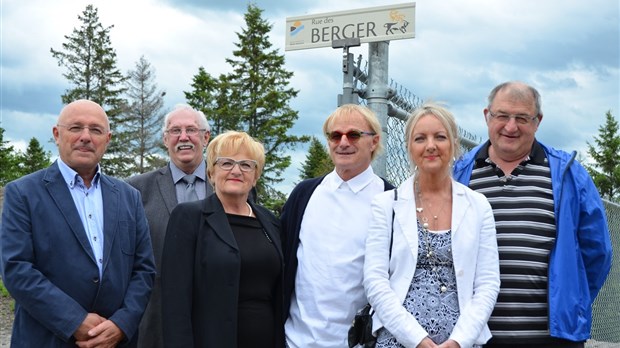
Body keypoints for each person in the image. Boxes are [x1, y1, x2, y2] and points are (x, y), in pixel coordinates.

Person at [453, 81, 613, 348]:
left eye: (522, 118)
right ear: (486, 116)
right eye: (502, 116)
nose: (511, 126)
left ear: (538, 121)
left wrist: (572, 299)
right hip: (473, 337)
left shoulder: (569, 175)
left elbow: (597, 252)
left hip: (552, 339)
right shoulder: (459, 175)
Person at [0, 99, 156, 347]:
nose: (85, 137)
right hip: (47, 339)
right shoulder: (23, 194)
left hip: (115, 341)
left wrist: (122, 324)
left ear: (107, 138)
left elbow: (144, 269)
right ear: (56, 134)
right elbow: (16, 269)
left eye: (95, 130)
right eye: (75, 128)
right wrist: (74, 321)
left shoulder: (129, 197)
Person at [364, 102, 500, 348]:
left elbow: (488, 283)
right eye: (420, 138)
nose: (430, 146)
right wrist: (417, 340)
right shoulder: (386, 205)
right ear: (408, 146)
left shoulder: (478, 206)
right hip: (399, 340)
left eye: (440, 137)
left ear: (454, 143)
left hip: (461, 341)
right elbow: (375, 281)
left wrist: (459, 341)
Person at [282, 104, 394, 347]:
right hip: (296, 340)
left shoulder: (391, 200)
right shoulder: (305, 194)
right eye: (335, 135)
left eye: (354, 134)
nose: (343, 142)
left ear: (374, 142)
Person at [161, 130, 284, 347]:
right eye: (226, 163)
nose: (236, 170)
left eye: (246, 165)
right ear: (211, 173)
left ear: (255, 176)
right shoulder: (189, 218)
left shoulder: (270, 221)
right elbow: (175, 304)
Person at [126, 104, 211, 348]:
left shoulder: (230, 187)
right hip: (156, 321)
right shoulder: (136, 190)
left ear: (206, 137)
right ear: (165, 139)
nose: (183, 137)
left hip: (218, 315)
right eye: (175, 131)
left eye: (191, 130)